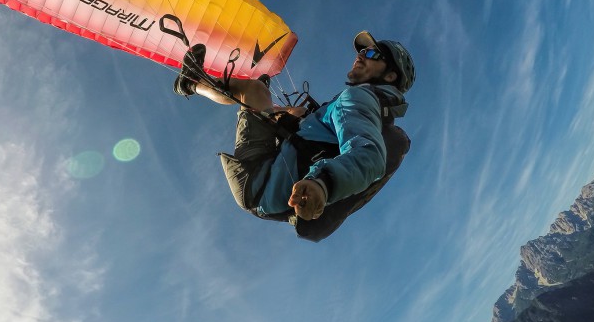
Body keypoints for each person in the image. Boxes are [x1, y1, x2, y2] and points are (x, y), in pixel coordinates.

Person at [173, 31, 415, 226]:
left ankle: (192, 82)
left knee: (251, 91)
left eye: (371, 53)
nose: (360, 55)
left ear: (391, 75)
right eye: (361, 50)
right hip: (273, 182)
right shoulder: (370, 110)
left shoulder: (358, 98)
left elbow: (369, 156)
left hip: (260, 183)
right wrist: (282, 113)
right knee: (268, 98)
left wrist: (323, 183)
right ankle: (199, 84)